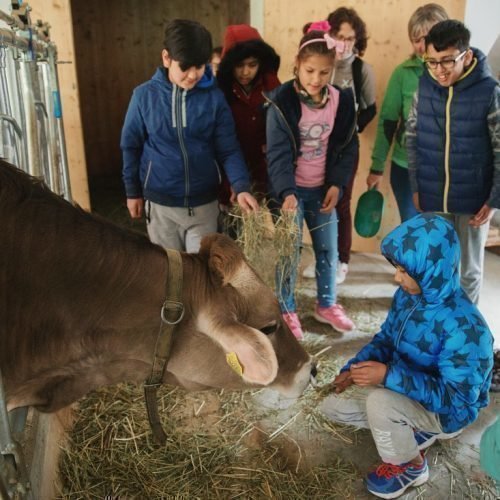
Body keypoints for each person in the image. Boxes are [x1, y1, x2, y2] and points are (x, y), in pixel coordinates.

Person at [319, 213, 494, 499]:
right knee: (330, 405)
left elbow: (457, 399)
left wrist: (388, 376)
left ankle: (411, 466)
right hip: (407, 386)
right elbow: (386, 338)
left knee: (380, 403)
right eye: (396, 267)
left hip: (447, 411)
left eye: (403, 270)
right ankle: (407, 425)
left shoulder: (466, 328)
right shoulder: (407, 296)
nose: (395, 276)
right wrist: (353, 370)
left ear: (430, 271)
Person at [121, 19, 258, 253]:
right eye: (185, 67)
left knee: (201, 274)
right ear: (167, 58)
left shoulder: (214, 99)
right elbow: (130, 146)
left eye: (200, 66)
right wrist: (132, 191)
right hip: (161, 205)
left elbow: (228, 148)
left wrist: (241, 185)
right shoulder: (144, 96)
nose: (193, 75)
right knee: (170, 273)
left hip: (204, 204)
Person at [265, 23, 359, 340]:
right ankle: (287, 307)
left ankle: (326, 304)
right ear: (297, 64)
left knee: (327, 251)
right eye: (309, 71)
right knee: (289, 253)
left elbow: (347, 147)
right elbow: (276, 154)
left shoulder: (340, 102)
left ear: (332, 70)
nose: (316, 80)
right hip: (291, 192)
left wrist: (337, 184)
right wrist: (286, 192)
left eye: (323, 73)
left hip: (322, 192)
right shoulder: (281, 101)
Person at [406, 19, 500, 305]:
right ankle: (439, 323)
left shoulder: (488, 91)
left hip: (474, 201)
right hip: (434, 196)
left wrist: (494, 198)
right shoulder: (424, 88)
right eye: (431, 62)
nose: (438, 70)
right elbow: (412, 137)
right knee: (440, 265)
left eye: (446, 61)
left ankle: (464, 326)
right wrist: (417, 184)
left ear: (466, 55)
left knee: (469, 270)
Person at [303, 8, 376, 284]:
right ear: (328, 35)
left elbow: (371, 108)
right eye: (339, 36)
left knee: (341, 203)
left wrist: (352, 127)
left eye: (350, 38)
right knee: (316, 202)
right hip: (314, 144)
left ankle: (341, 260)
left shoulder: (360, 69)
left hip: (345, 146)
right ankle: (323, 257)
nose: (344, 43)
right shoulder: (321, 63)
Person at [366, 4, 449, 222]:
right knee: (413, 232)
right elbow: (388, 122)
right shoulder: (403, 74)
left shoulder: (458, 73)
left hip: (445, 172)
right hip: (406, 170)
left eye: (429, 37)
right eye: (416, 39)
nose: (423, 46)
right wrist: (377, 167)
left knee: (439, 234)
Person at [216, 24, 280, 207]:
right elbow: (221, 145)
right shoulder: (220, 91)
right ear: (230, 65)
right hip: (231, 169)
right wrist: (232, 183)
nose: (246, 72)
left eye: (252, 65)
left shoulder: (271, 85)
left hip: (266, 167)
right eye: (239, 66)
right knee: (233, 222)